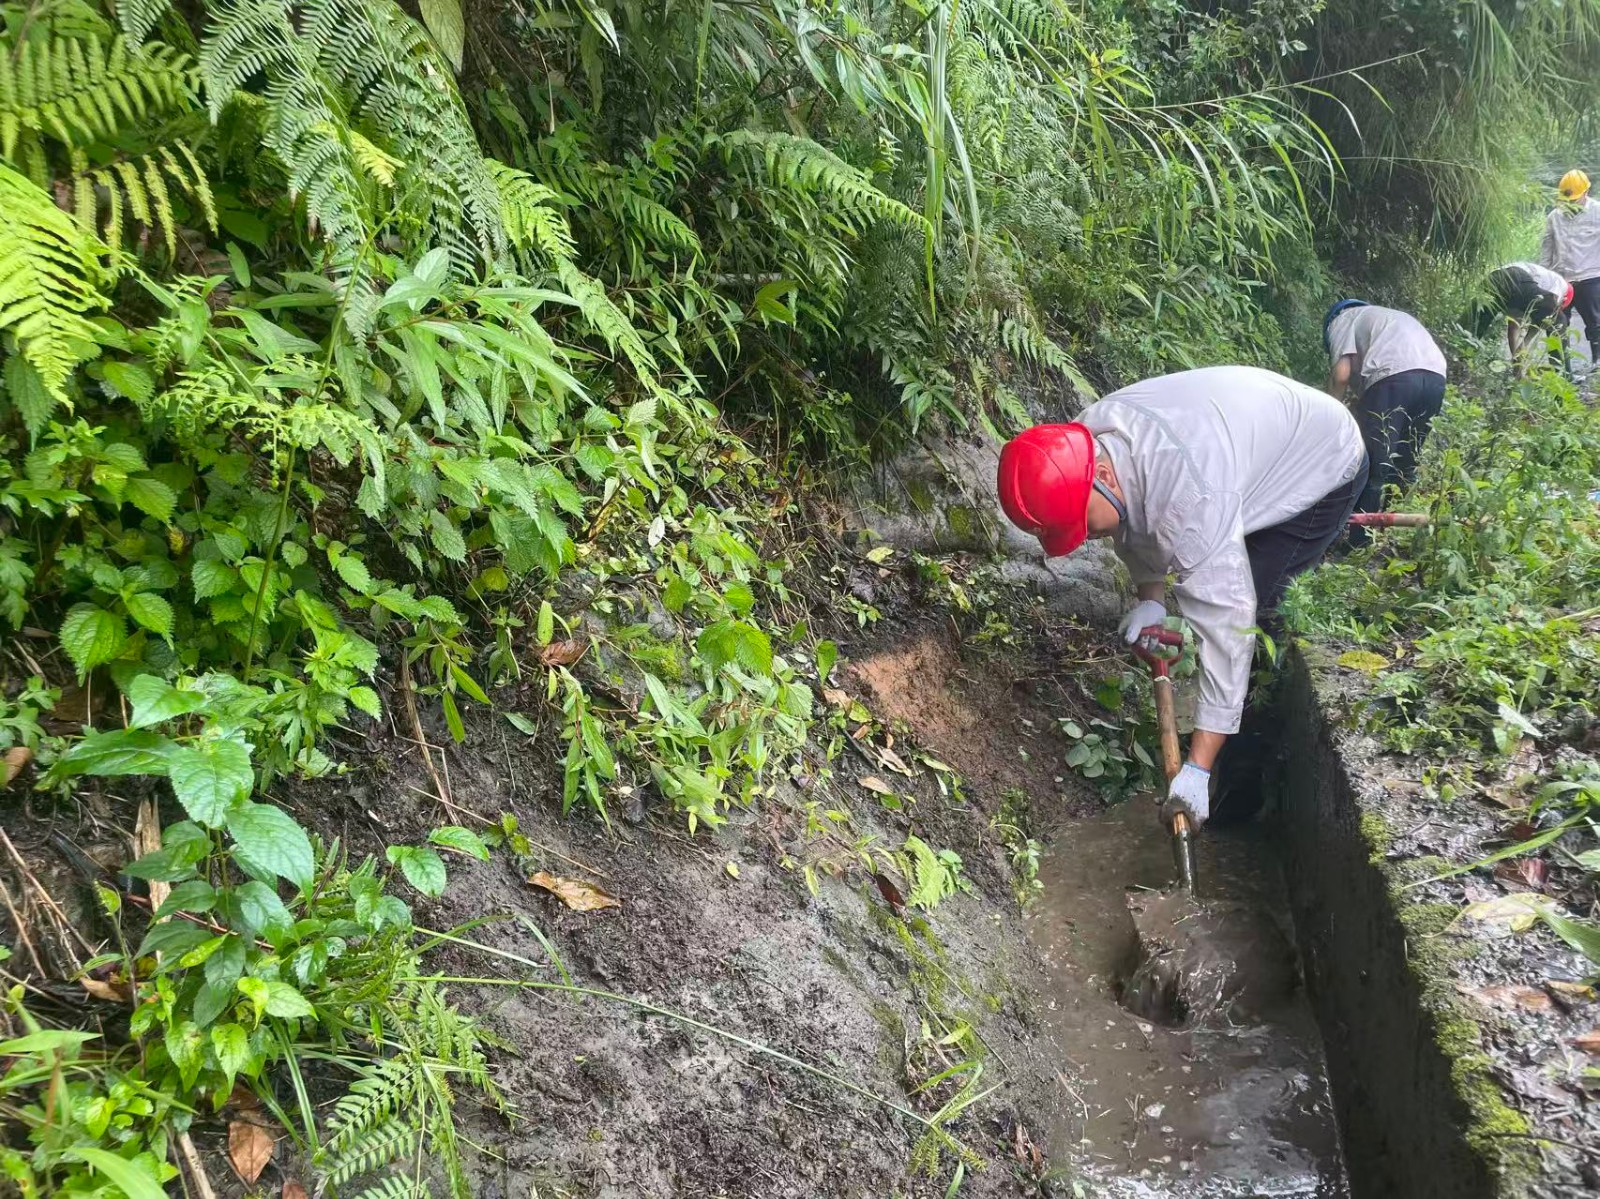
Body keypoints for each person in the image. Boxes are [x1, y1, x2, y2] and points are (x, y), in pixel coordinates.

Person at [995, 366, 1368, 830]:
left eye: (1082, 524)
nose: (1086, 536)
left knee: (1260, 619)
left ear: (1104, 475)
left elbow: (1230, 630)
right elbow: (1131, 516)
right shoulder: (1080, 448)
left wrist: (1197, 767)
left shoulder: (1192, 498)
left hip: (1322, 461)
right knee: (1221, 568)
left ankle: (1240, 789)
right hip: (1243, 450)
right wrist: (1151, 598)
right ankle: (1219, 750)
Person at [1323, 300, 1446, 523]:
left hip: (1393, 376)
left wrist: (1328, 420)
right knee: (1405, 463)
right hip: (1436, 377)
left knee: (1373, 465)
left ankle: (1359, 537)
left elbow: (1341, 375)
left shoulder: (1341, 319)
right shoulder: (1384, 318)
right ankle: (1391, 531)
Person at [1541, 170, 1600, 365]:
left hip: (1591, 277)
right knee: (1555, 324)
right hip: (1561, 280)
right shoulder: (1554, 217)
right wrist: (1544, 278)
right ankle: (1560, 369)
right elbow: (1547, 248)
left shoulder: (1597, 212)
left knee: (1596, 323)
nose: (1570, 204)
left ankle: (1598, 364)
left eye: (1574, 199)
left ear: (1586, 192)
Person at [1478, 261, 1572, 373]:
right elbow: (1547, 311)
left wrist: (1516, 357)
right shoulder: (1560, 284)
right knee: (1559, 320)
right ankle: (1563, 373)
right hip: (1515, 275)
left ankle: (1463, 357)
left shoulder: (1526, 295)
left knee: (1476, 325)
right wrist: (1525, 343)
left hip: (1492, 279)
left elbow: (1513, 327)